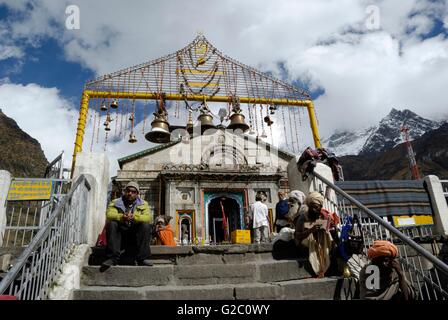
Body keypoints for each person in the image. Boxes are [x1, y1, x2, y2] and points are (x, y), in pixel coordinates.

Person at [101, 181, 153, 270]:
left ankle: (142, 258)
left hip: (135, 237)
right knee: (112, 223)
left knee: (145, 225)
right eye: (128, 191)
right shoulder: (115, 202)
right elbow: (109, 214)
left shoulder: (144, 204)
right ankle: (112, 258)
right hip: (120, 237)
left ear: (137, 194)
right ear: (124, 192)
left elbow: (148, 218)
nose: (130, 193)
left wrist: (134, 217)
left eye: (133, 192)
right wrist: (121, 217)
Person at [294, 191, 340, 278]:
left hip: (321, 243)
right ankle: (319, 268)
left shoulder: (323, 216)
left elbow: (331, 229)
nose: (316, 210)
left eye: (318, 208)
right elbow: (297, 236)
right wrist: (310, 230)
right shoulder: (303, 218)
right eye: (313, 208)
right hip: (306, 243)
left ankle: (325, 265)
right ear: (309, 207)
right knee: (312, 238)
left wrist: (330, 226)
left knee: (327, 235)